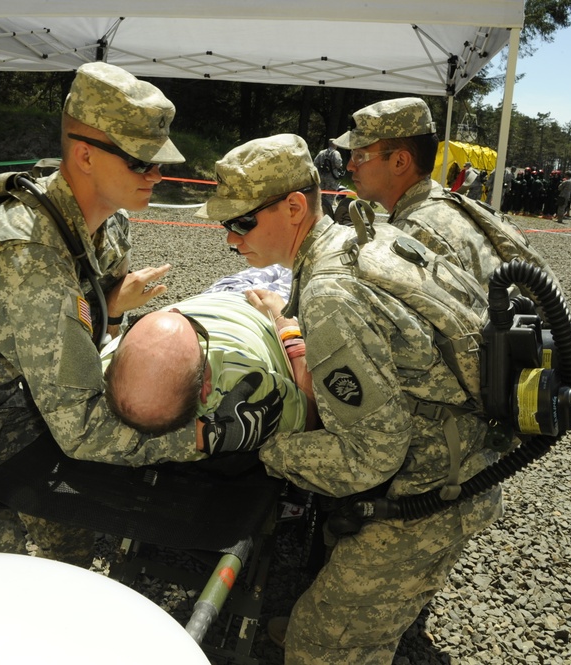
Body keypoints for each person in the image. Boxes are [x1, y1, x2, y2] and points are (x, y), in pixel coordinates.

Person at [0, 62, 225, 563]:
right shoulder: (26, 254)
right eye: (142, 162)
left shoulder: (109, 224)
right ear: (85, 156)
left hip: (4, 381)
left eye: (159, 161)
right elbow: (83, 429)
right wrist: (206, 436)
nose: (158, 175)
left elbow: (80, 313)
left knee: (65, 524)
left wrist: (112, 309)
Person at [195, 133, 502, 664]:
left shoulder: (331, 291)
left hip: (427, 493)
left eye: (240, 222)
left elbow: (367, 456)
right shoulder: (359, 238)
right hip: (452, 460)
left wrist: (257, 448)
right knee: (337, 618)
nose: (229, 239)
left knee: (321, 647)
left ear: (294, 207)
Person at [335, 96, 556, 287]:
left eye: (360, 156)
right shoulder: (445, 204)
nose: (350, 166)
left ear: (400, 162)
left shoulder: (413, 235)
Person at [101, 290, 311, 437]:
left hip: (222, 296)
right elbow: (312, 415)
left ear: (110, 369)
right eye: (198, 334)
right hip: (259, 310)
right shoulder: (249, 383)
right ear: (206, 387)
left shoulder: (100, 371)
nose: (174, 309)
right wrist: (286, 322)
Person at [313, 139, 344, 218]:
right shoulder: (336, 153)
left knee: (321, 196)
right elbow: (338, 164)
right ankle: (328, 214)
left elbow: (315, 163)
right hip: (331, 178)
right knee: (330, 196)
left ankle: (320, 213)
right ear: (335, 144)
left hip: (322, 177)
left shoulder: (321, 153)